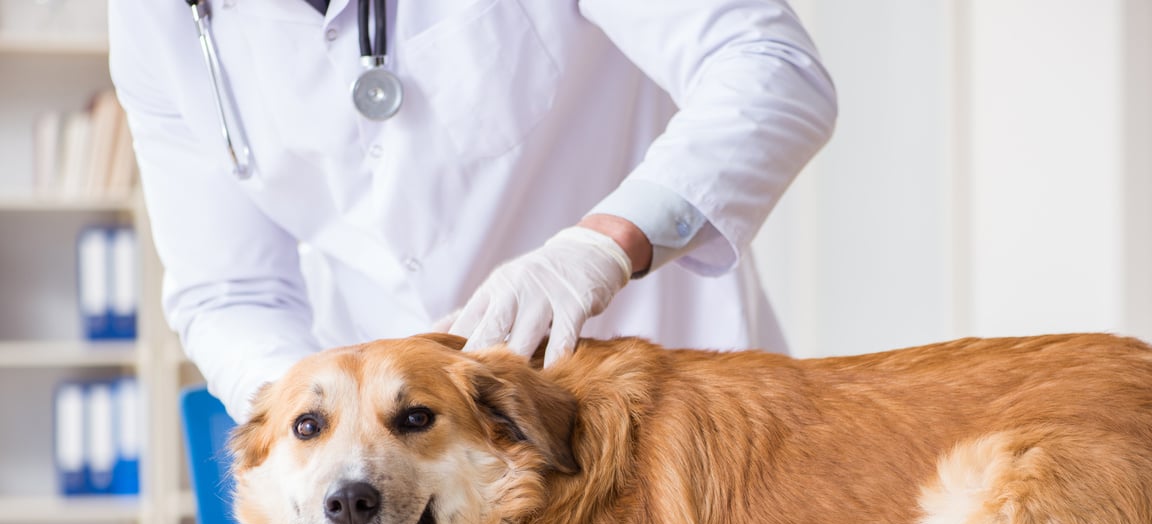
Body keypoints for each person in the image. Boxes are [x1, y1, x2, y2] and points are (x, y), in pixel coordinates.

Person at [109, 1, 837, 423]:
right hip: (417, 469)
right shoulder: (158, 17)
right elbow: (230, 292)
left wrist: (599, 248)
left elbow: (773, 71)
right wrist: (319, 428)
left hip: (660, 415)